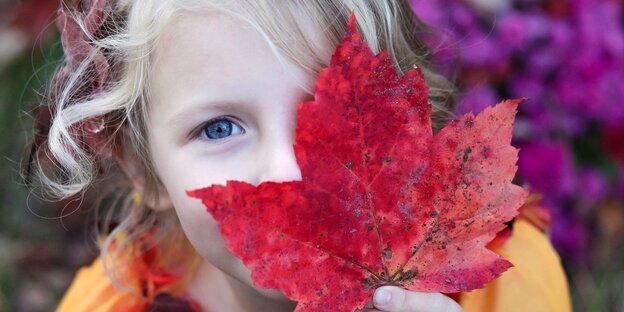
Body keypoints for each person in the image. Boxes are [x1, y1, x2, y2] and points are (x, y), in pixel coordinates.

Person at [23, 0, 571, 311]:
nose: (288, 171)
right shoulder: (107, 304)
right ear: (146, 169)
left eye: (327, 110)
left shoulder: (505, 286)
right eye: (219, 127)